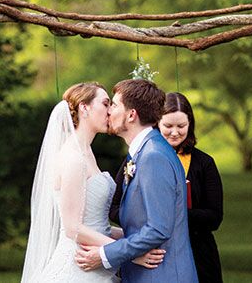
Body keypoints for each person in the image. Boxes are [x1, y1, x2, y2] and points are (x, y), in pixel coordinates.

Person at [21, 82, 162, 283]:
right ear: (84, 108)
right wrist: (131, 253)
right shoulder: (73, 158)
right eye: (106, 104)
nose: (110, 111)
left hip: (94, 260)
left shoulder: (86, 153)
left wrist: (133, 238)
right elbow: (73, 228)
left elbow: (96, 224)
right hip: (78, 266)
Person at [75, 79, 199, 283]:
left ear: (131, 115)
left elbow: (158, 228)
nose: (109, 112)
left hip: (162, 275)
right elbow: (139, 222)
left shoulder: (153, 156)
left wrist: (104, 254)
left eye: (114, 105)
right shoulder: (144, 152)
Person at [159, 92, 223, 283]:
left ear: (190, 125)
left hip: (198, 253)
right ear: (156, 123)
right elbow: (117, 208)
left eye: (181, 126)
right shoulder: (141, 158)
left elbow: (215, 217)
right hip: (156, 254)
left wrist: (175, 214)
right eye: (168, 126)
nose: (175, 132)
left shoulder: (204, 163)